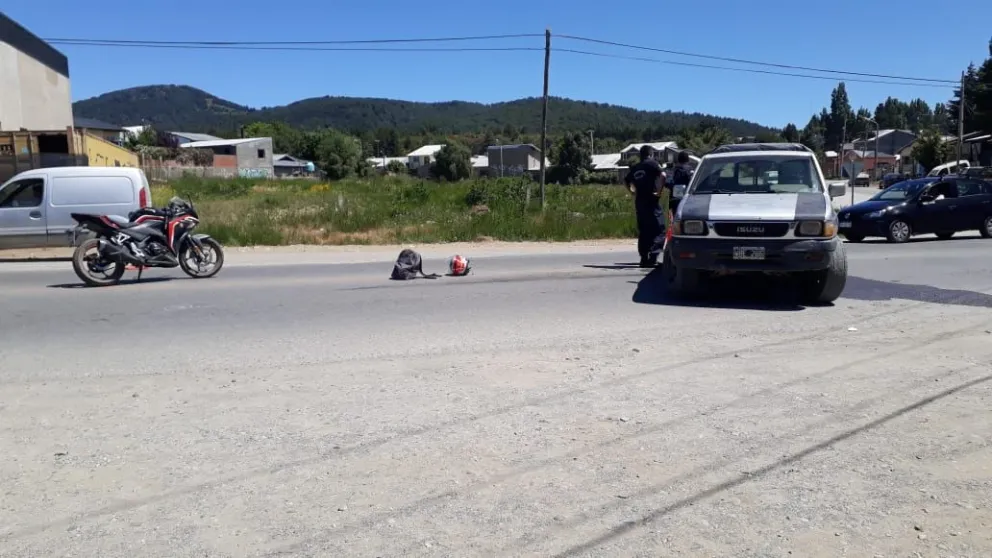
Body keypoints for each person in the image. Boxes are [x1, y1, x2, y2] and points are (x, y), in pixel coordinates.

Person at [624, 145, 668, 267]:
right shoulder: (653, 164)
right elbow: (663, 175)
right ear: (651, 154)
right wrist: (659, 191)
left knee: (644, 230)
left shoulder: (636, 167)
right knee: (660, 229)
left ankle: (643, 258)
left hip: (640, 202)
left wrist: (632, 192)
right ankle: (653, 256)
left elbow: (626, 180)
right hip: (651, 200)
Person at [668, 150, 694, 217]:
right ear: (687, 159)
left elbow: (668, 182)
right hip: (686, 198)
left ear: (678, 159)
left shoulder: (673, 170)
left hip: (674, 198)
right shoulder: (690, 169)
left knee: (676, 217)